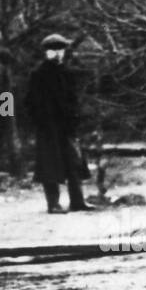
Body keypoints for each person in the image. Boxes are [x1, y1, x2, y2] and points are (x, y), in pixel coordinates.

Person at [24, 34, 91, 213]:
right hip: (48, 128)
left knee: (74, 163)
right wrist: (41, 122)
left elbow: (74, 99)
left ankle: (78, 202)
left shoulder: (67, 73)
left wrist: (75, 118)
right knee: (50, 166)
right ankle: (53, 204)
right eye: (53, 50)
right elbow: (30, 102)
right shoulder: (38, 75)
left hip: (67, 127)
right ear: (46, 52)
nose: (58, 54)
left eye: (61, 49)